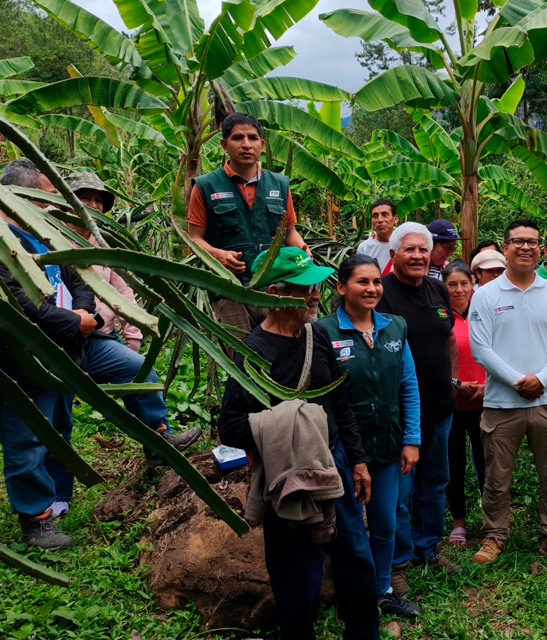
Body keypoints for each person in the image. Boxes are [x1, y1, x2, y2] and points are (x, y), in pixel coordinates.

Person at [218, 247, 379, 640]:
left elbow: (338, 400)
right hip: (287, 473)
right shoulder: (252, 352)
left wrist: (357, 460)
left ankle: (364, 633)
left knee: (356, 557)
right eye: (304, 288)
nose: (314, 296)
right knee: (296, 570)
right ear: (275, 291)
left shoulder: (316, 333)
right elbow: (231, 426)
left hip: (334, 461)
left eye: (314, 286)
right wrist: (290, 424)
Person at [0, 160, 97, 550]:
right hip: (20, 357)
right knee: (26, 436)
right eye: (44, 196)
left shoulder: (45, 232)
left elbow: (78, 277)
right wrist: (72, 321)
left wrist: (83, 313)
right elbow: (16, 301)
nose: (50, 205)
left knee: (59, 425)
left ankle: (59, 501)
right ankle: (34, 519)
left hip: (64, 349)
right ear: (21, 195)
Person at [63, 172, 202, 477]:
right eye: (85, 198)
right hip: (59, 338)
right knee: (56, 415)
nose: (94, 205)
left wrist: (133, 334)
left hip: (99, 338)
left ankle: (159, 441)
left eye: (99, 200)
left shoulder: (102, 242)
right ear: (64, 201)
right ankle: (54, 500)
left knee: (140, 371)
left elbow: (122, 291)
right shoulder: (49, 238)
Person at [468, 219, 547, 568]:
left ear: (540, 249)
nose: (526, 247)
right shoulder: (485, 296)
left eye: (532, 241)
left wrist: (541, 379)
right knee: (497, 477)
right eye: (518, 241)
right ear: (505, 248)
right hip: (502, 403)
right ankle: (495, 535)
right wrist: (519, 380)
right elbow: (480, 349)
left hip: (546, 400)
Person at [318, 254, 423, 618]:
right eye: (362, 282)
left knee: (386, 521)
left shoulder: (395, 327)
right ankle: (352, 592)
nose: (372, 288)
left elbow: (408, 385)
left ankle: (382, 589)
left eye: (376, 281)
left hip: (388, 444)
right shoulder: (323, 331)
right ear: (341, 287)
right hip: (343, 449)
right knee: (347, 526)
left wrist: (412, 439)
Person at [375, 222, 461, 594]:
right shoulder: (381, 293)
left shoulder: (437, 287)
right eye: (409, 249)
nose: (417, 256)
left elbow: (449, 340)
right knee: (400, 492)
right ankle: (397, 563)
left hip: (440, 407)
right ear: (393, 254)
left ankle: (429, 547)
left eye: (423, 250)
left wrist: (454, 382)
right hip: (399, 414)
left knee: (434, 482)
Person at [186, 113, 307, 340]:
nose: (246, 144)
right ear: (224, 145)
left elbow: (289, 231)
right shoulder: (205, 186)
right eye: (237, 138)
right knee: (241, 361)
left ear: (261, 145)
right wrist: (218, 255)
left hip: (276, 288)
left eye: (252, 138)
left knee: (283, 354)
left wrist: (303, 249)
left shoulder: (279, 185)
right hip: (229, 289)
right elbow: (194, 238)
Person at [441, 260, 486, 548]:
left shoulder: (485, 314)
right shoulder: (439, 317)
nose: (459, 289)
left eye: (464, 283)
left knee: (488, 462)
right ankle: (458, 522)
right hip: (451, 403)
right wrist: (454, 385)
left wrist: (486, 388)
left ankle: (491, 517)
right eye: (452, 284)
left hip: (486, 399)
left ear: (473, 284)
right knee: (453, 464)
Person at [357, 199, 398, 274]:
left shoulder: (404, 244)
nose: (379, 220)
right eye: (375, 216)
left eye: (384, 214)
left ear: (395, 219)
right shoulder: (365, 248)